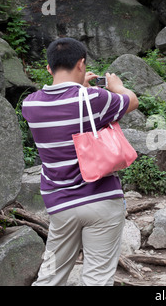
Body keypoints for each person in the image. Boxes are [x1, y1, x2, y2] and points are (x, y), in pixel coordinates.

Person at [22, 37, 138, 286]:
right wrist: (117, 86)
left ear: (48, 68)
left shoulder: (30, 106)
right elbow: (132, 101)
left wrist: (80, 88)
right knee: (97, 278)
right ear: (82, 64)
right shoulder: (96, 99)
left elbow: (64, 107)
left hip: (60, 210)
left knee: (49, 275)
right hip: (102, 204)